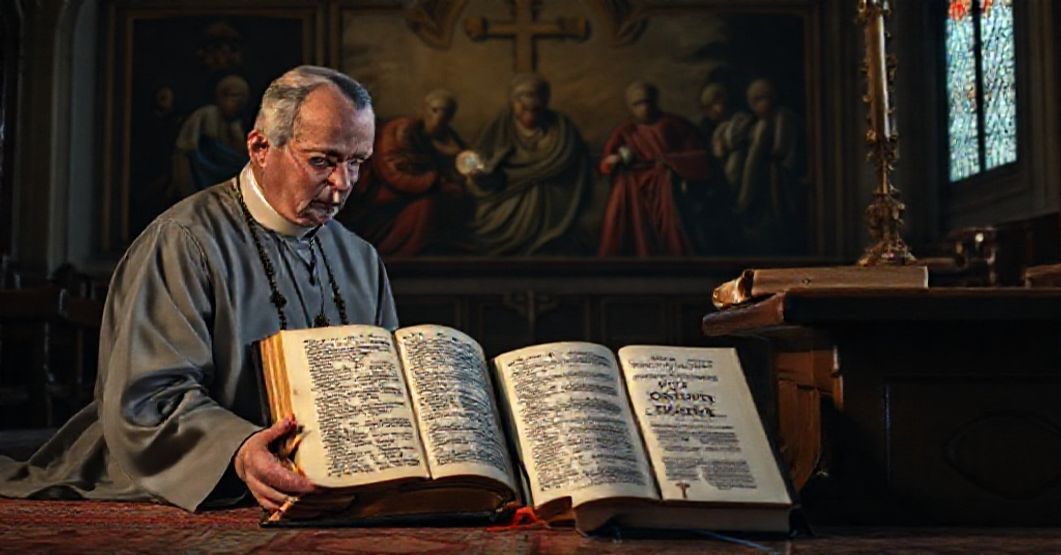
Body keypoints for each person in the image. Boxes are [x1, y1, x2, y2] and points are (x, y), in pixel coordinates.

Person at [0, 66, 398, 513]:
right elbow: (150, 397)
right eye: (322, 161)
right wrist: (241, 449)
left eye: (357, 162)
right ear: (260, 147)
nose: (343, 184)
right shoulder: (183, 241)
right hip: (175, 473)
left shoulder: (360, 259)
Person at [465, 73, 593, 255]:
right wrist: (477, 172)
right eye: (521, 98)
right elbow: (475, 158)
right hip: (503, 193)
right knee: (488, 228)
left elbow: (577, 164)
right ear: (512, 102)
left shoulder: (562, 128)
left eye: (535, 96)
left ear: (545, 100)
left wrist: (543, 172)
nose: (529, 102)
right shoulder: (499, 125)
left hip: (553, 197)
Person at [342, 89, 467, 256]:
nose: (440, 117)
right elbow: (393, 175)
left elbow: (461, 164)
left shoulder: (446, 137)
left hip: (417, 188)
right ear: (424, 110)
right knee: (425, 207)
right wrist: (435, 181)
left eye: (446, 112)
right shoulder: (400, 131)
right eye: (435, 110)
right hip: (383, 190)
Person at [597, 81, 711, 256]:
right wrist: (616, 160)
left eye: (647, 102)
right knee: (623, 190)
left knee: (667, 191)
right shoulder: (626, 130)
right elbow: (606, 164)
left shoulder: (674, 125)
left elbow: (697, 157)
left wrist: (669, 162)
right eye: (638, 104)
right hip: (633, 183)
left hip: (664, 179)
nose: (644, 108)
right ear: (631, 107)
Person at [735, 78, 804, 253]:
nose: (760, 105)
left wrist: (771, 158)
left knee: (777, 207)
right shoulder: (756, 123)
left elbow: (783, 148)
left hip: (777, 173)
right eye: (755, 101)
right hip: (761, 173)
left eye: (763, 99)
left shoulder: (783, 117)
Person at [168, 74, 251, 202]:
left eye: (241, 98)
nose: (237, 103)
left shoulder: (236, 124)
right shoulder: (206, 115)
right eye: (233, 96)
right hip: (201, 173)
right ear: (221, 97)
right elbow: (187, 147)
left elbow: (237, 155)